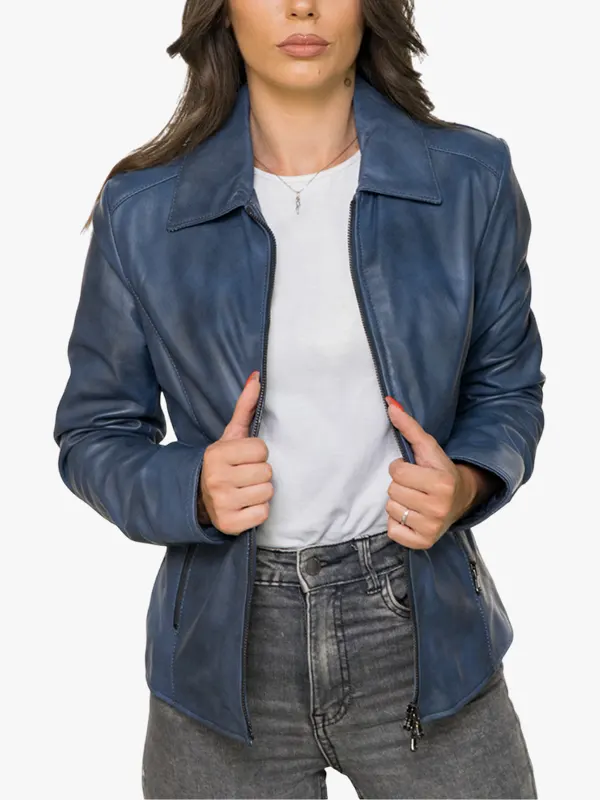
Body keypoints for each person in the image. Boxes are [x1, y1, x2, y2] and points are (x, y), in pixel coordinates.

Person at [53, 1, 545, 797]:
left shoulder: (469, 179)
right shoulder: (142, 210)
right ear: (222, 12)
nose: (301, 6)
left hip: (422, 630)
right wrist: (193, 487)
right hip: (223, 653)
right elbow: (94, 431)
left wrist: (465, 482)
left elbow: (507, 386)